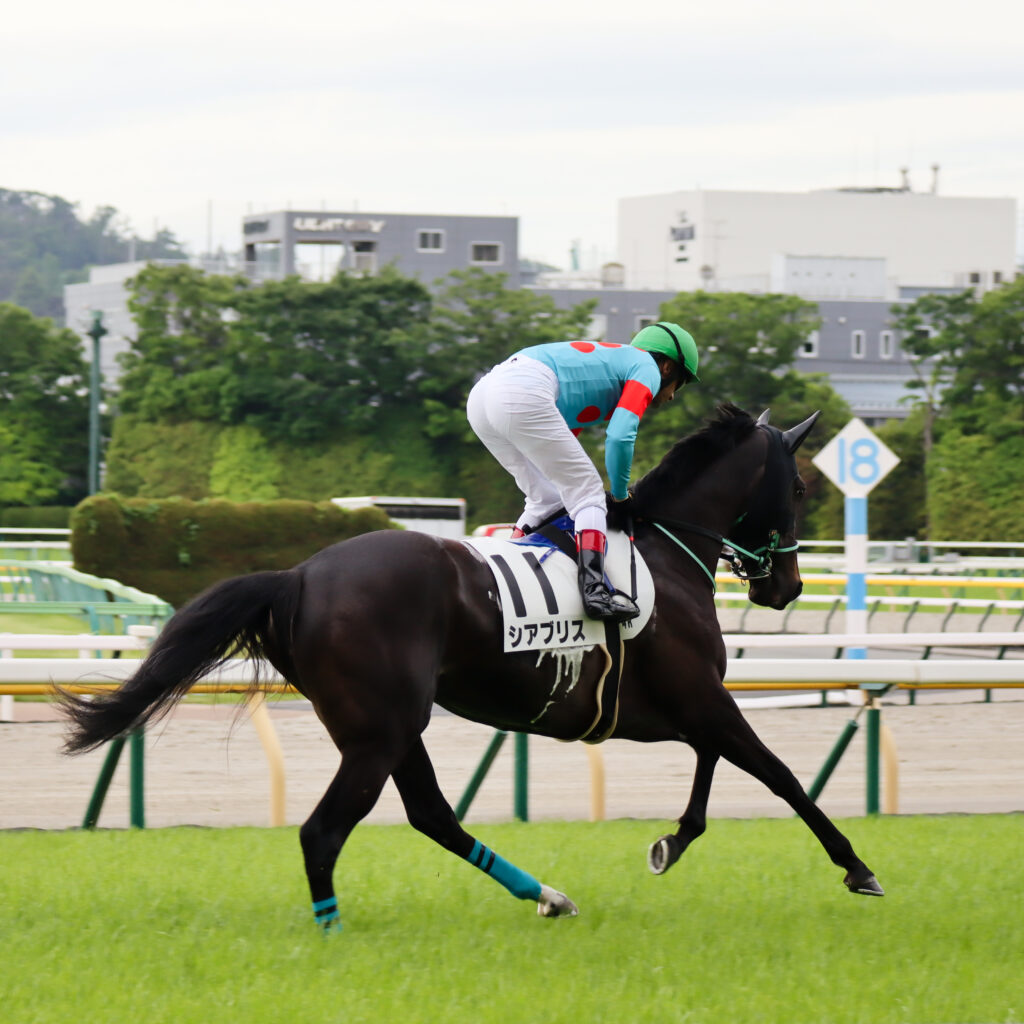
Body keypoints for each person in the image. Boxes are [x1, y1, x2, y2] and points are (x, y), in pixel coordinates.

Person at [467, 322, 700, 622]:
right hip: (520, 390)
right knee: (589, 493)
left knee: (544, 497)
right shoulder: (646, 368)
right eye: (678, 385)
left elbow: (564, 440)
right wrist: (619, 496)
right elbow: (619, 436)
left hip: (484, 396)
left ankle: (505, 572)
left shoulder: (607, 369)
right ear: (667, 367)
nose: (670, 397)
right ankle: (594, 590)